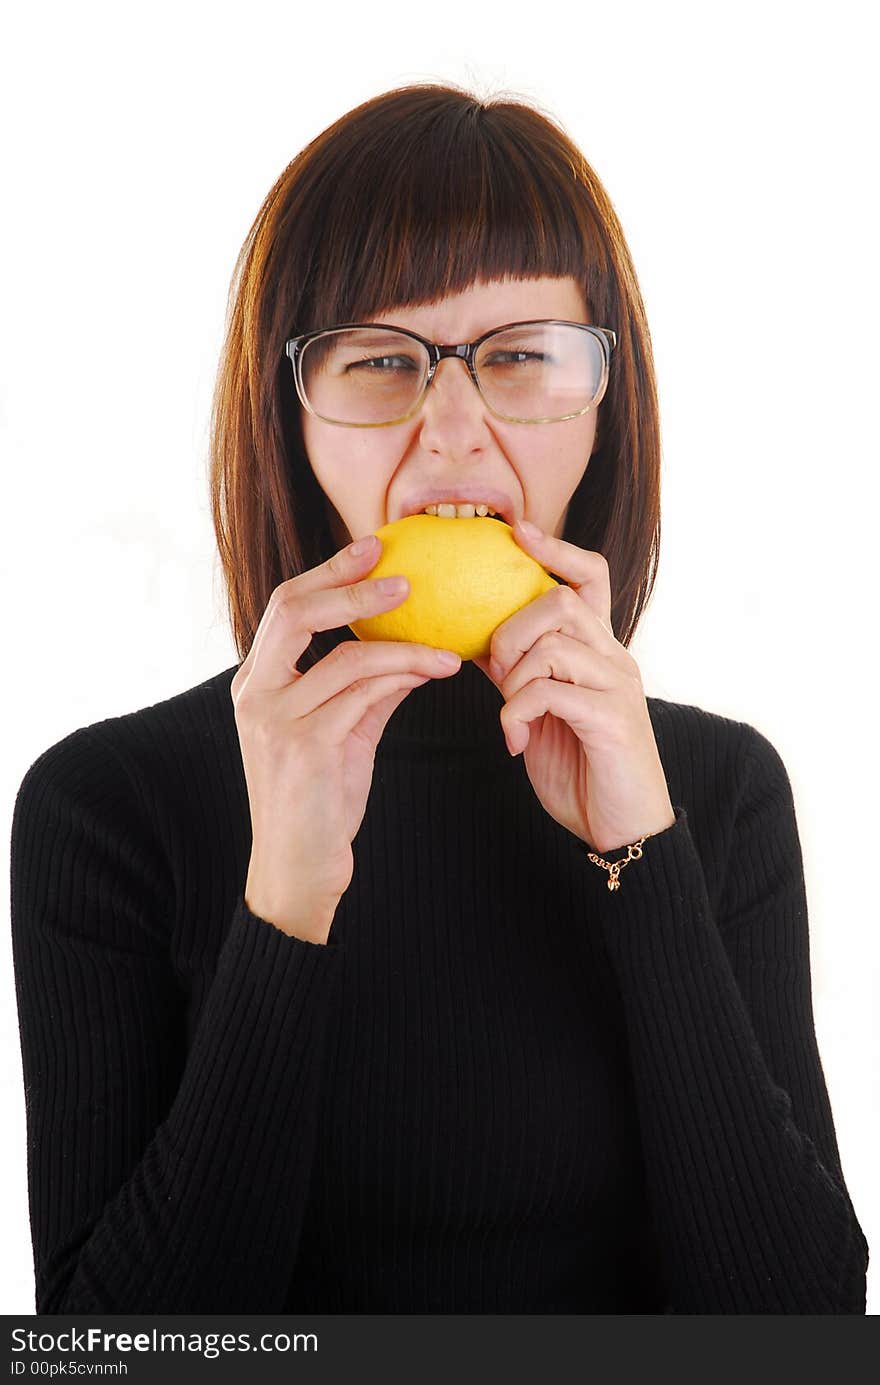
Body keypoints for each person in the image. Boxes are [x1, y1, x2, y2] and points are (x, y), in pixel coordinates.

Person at [10, 81, 868, 1315]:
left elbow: (803, 1325)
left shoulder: (718, 792)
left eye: (519, 356)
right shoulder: (107, 806)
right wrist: (286, 896)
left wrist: (645, 852)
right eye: (379, 359)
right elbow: (108, 1349)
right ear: (290, 417)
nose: (452, 428)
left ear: (603, 411)